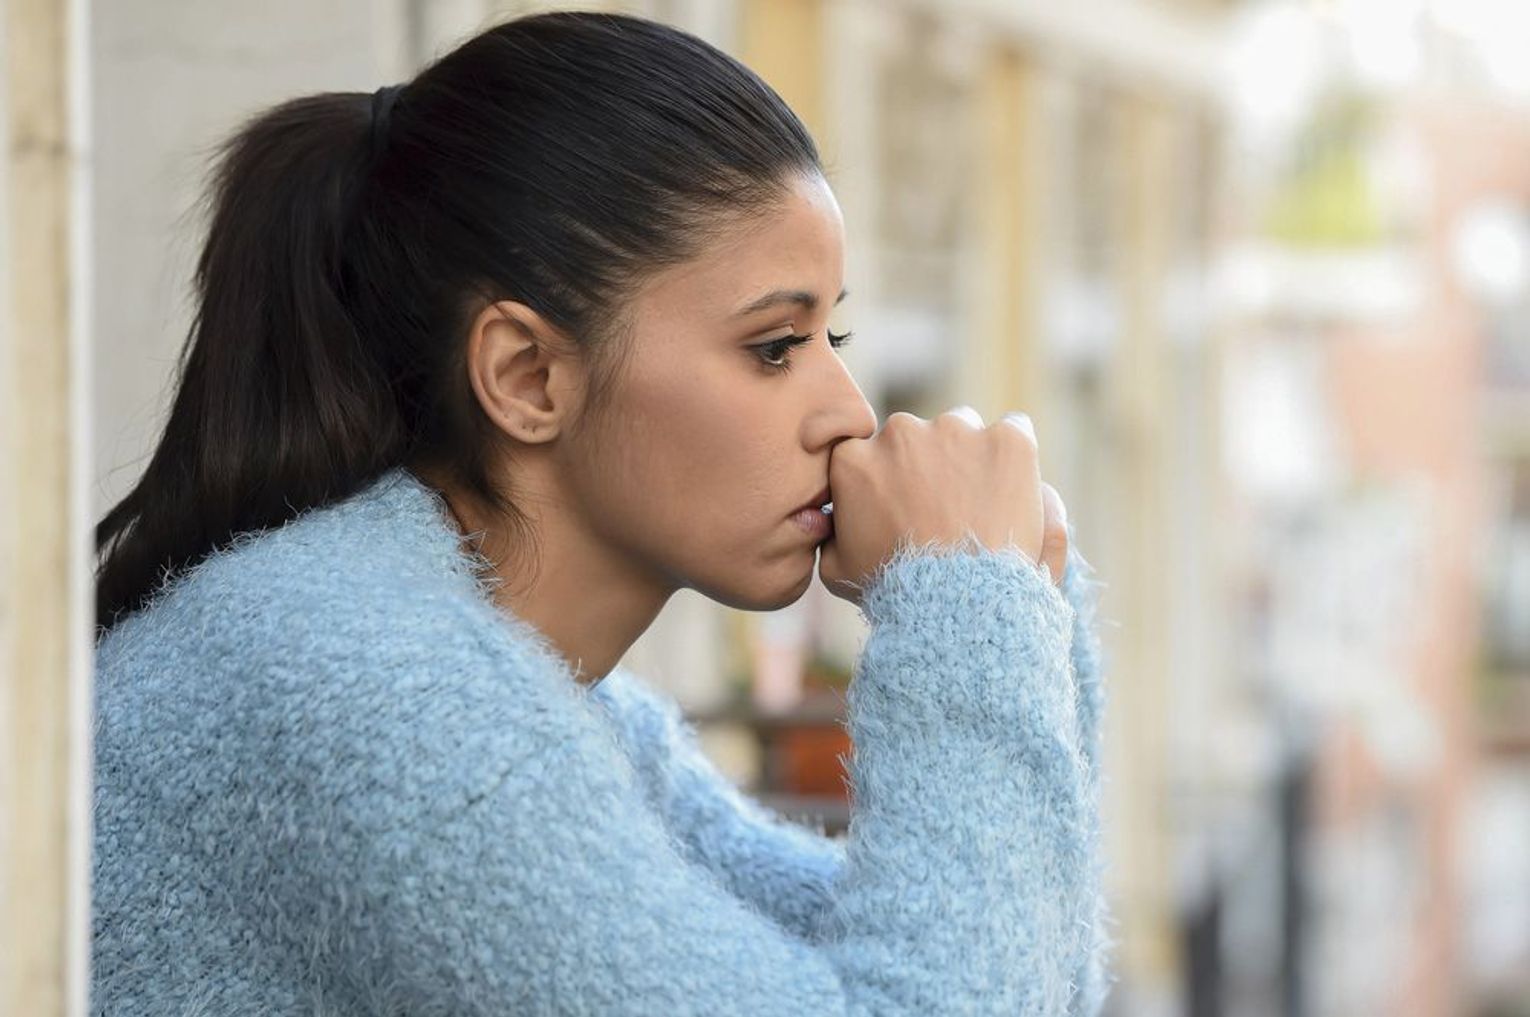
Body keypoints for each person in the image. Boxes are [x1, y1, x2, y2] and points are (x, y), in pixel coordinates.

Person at [91, 10, 1115, 1015]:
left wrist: (1020, 600)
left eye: (831, 341)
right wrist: (965, 602)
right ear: (528, 376)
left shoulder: (537, 703)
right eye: (774, 348)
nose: (849, 414)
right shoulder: (382, 698)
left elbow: (1006, 967)